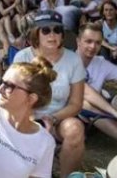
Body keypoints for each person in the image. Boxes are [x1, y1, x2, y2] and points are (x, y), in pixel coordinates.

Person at [12, 10, 86, 177]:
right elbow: (14, 97)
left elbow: (76, 104)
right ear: (36, 34)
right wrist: (31, 120)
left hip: (58, 117)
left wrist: (52, 119)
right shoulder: (22, 57)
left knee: (75, 129)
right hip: (26, 116)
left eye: (57, 30)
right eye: (46, 30)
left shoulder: (73, 60)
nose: (52, 35)